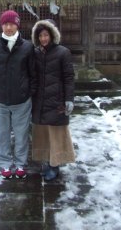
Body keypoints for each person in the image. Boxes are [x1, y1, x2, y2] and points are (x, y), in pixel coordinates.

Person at [0, 10, 36, 179]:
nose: (8, 27)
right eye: (5, 24)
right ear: (2, 26)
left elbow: (32, 73)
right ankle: (5, 163)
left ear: (17, 25)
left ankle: (21, 163)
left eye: (11, 24)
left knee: (21, 134)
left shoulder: (27, 47)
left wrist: (29, 92)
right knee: (2, 134)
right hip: (0, 99)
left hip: (21, 100)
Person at [31, 19, 75, 181]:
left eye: (46, 35)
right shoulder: (35, 53)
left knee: (56, 134)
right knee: (42, 133)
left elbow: (69, 77)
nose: (43, 39)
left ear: (52, 35)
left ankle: (55, 165)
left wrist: (69, 99)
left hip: (57, 101)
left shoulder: (63, 52)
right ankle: (47, 162)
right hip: (40, 100)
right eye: (40, 36)